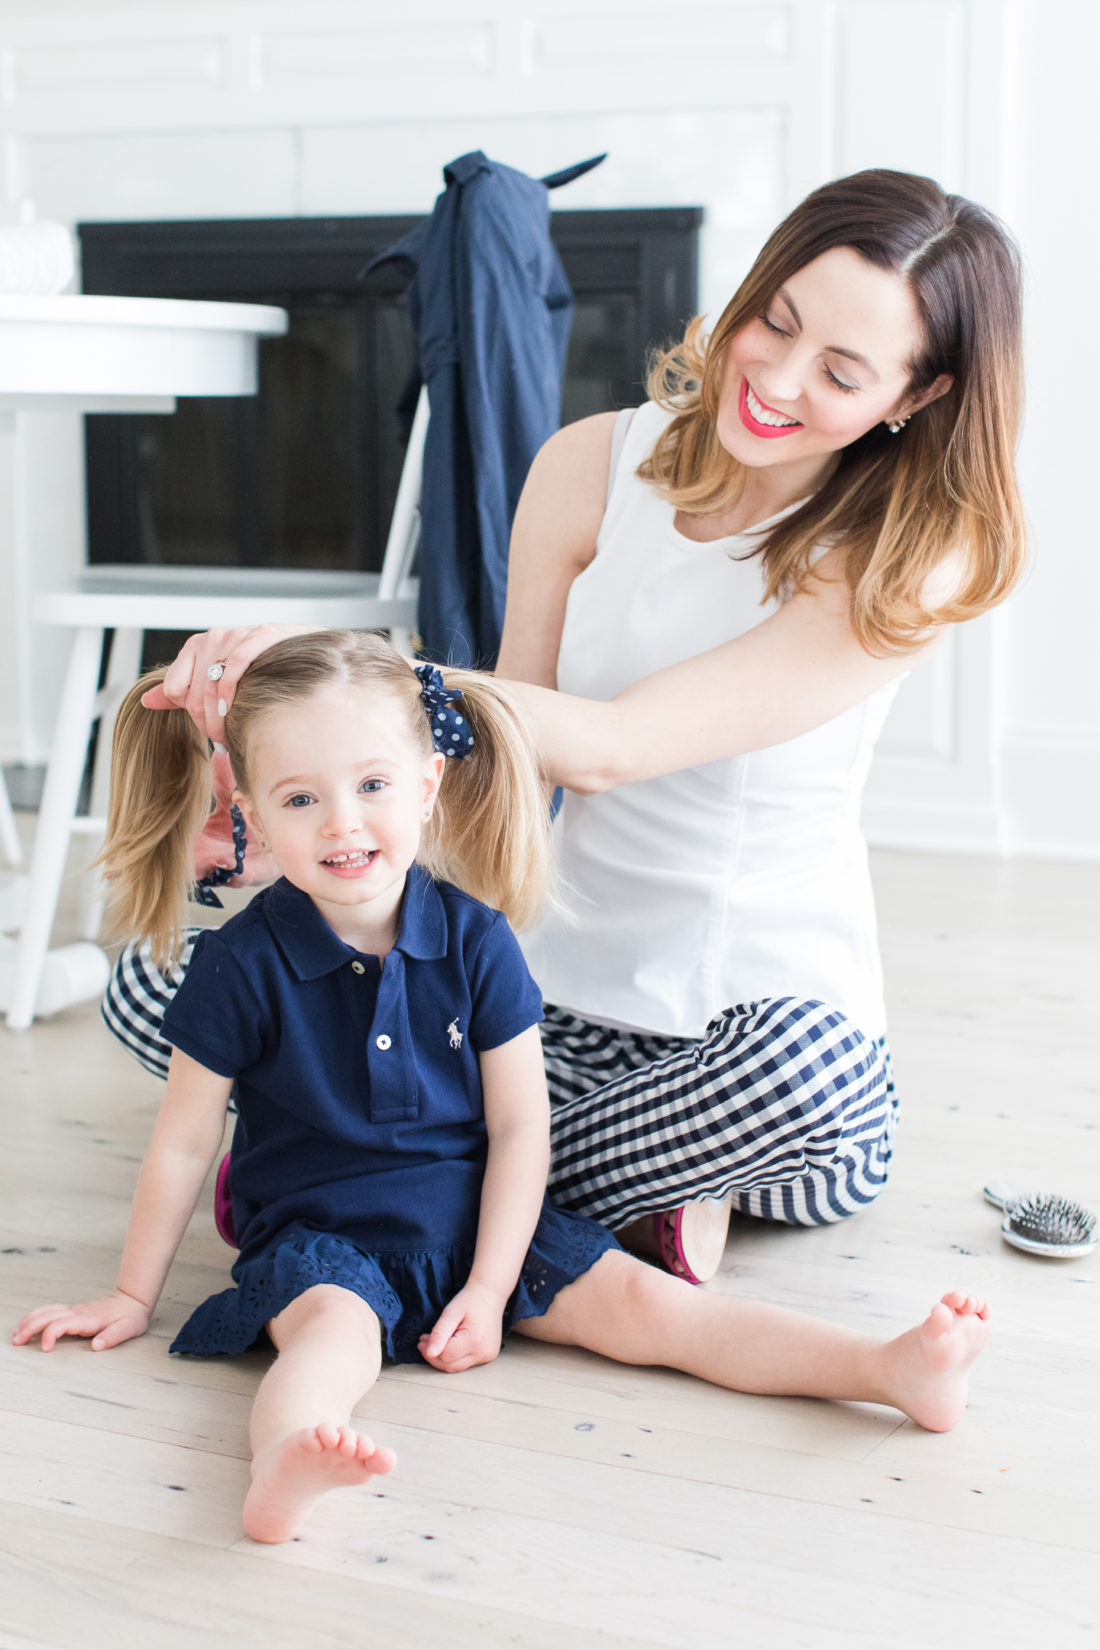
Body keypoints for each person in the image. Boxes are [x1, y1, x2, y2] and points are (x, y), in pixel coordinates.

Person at [99, 168, 1027, 1284]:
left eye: (837, 372)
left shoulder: (904, 559)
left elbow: (611, 741)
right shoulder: (591, 461)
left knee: (806, 1080)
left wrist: (333, 667)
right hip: (544, 1002)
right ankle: (582, 1189)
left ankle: (356, 1168)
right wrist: (298, 861)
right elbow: (501, 762)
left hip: (742, 1042)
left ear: (912, 399)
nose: (774, 378)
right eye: (774, 320)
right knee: (159, 984)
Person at [15, 631, 990, 1545]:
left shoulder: (476, 939)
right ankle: (284, 1466)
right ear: (255, 814)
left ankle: (886, 1369)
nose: (342, 821)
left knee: (659, 1317)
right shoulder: (238, 962)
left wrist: (488, 1286)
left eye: (371, 785)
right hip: (324, 1238)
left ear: (429, 785)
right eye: (301, 799)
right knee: (326, 1346)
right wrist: (131, 1293)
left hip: (480, 1222)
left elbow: (523, 1128)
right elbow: (184, 1142)